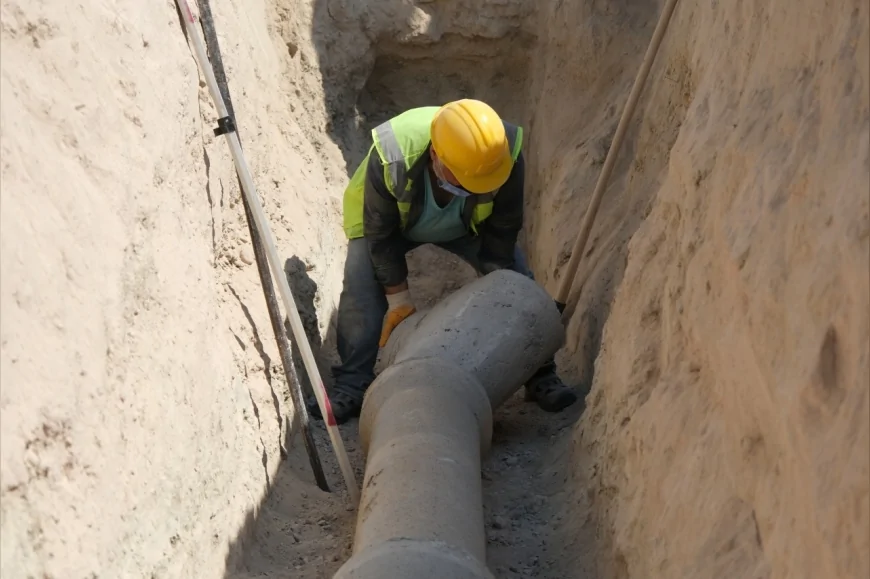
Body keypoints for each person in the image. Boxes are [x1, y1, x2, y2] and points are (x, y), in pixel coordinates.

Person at [309, 99, 577, 424]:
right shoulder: (393, 152)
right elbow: (380, 234)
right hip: (390, 221)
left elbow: (504, 228)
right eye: (461, 178)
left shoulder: (500, 154)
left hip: (467, 227)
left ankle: (540, 373)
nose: (469, 187)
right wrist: (399, 299)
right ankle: (351, 385)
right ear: (435, 155)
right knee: (360, 293)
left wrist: (499, 274)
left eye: (476, 183)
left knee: (516, 283)